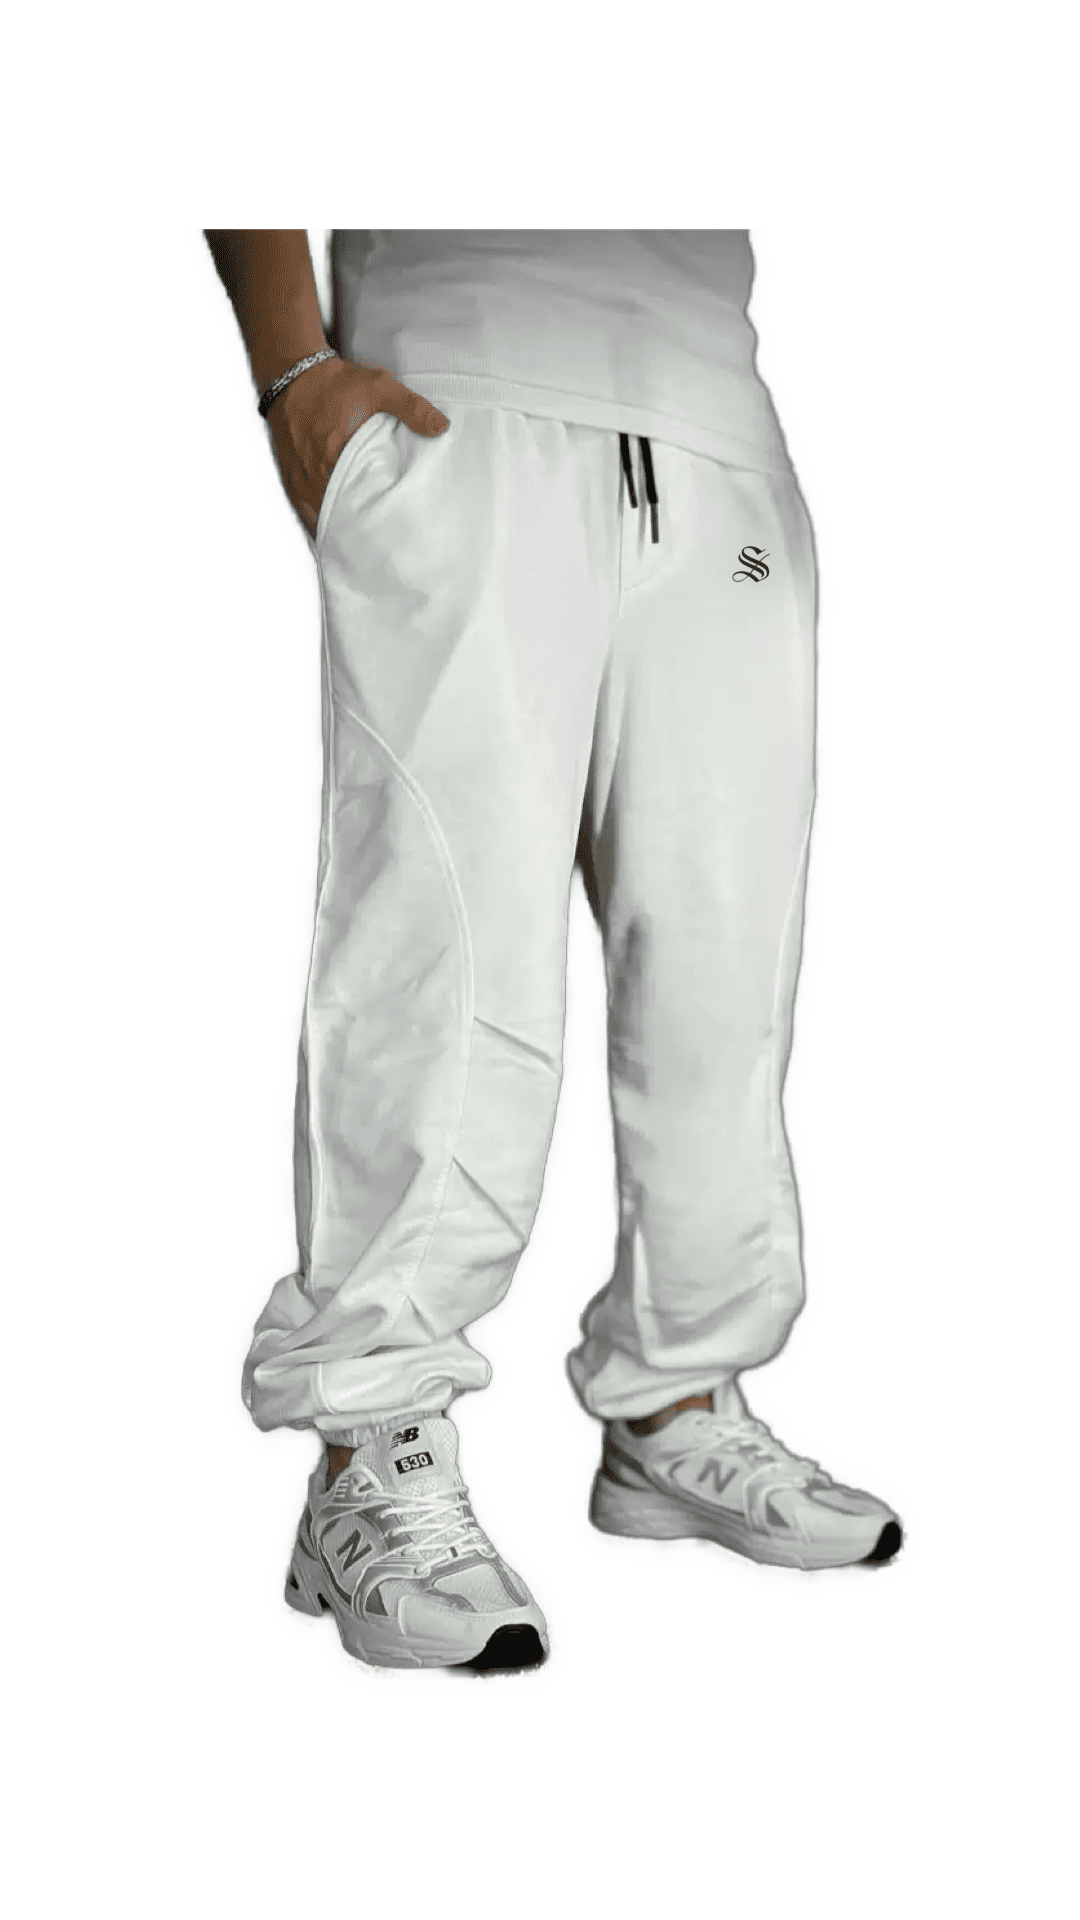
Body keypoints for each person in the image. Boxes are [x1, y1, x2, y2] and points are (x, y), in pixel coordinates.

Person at [205, 228, 902, 1675]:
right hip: (457, 399)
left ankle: (676, 1406)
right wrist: (291, 373)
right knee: (446, 961)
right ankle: (371, 1453)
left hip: (713, 422)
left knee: (722, 972)